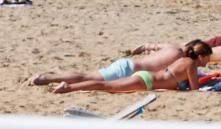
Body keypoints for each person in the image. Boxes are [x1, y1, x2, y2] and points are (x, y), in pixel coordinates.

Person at [50, 40, 212, 94]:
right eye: (207, 58)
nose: (208, 62)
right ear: (201, 56)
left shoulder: (181, 58)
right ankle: (68, 87)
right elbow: (194, 90)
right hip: (146, 81)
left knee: (104, 84)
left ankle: (69, 86)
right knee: (106, 86)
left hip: (143, 74)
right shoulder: (190, 65)